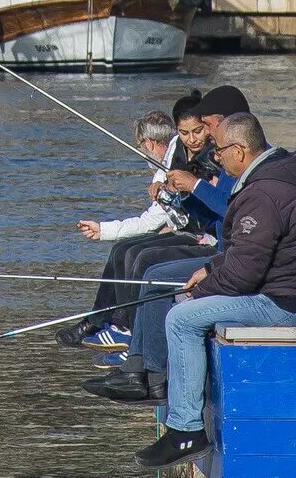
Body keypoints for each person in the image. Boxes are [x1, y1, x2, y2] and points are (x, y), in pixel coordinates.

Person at [136, 109, 296, 467]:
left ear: (240, 151)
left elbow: (244, 274)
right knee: (186, 301)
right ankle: (185, 410)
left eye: (220, 150)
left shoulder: (261, 195)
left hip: (286, 302)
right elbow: (252, 251)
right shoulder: (286, 178)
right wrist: (209, 268)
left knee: (181, 318)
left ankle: (185, 431)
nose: (216, 157)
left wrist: (205, 288)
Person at [90, 85, 252, 399]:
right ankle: (137, 366)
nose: (203, 136)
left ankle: (152, 374)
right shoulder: (229, 157)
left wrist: (196, 185)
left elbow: (233, 210)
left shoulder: (240, 163)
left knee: (156, 274)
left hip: (229, 259)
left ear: (227, 124)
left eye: (206, 126)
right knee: (149, 268)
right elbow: (212, 214)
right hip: (223, 252)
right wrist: (180, 197)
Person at [66, 109, 220, 350]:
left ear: (147, 143)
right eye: (184, 134)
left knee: (137, 255)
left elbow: (154, 219)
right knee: (122, 250)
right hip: (186, 231)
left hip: (203, 239)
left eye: (197, 131)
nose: (191, 140)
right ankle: (106, 322)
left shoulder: (203, 163)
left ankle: (126, 331)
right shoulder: (175, 160)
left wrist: (174, 198)